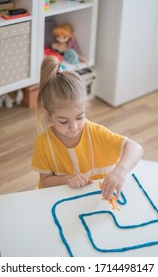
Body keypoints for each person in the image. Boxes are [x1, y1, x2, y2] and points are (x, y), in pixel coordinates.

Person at [32, 55, 143, 201]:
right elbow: (46, 180)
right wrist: (67, 179)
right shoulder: (44, 142)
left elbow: (135, 147)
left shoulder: (96, 133)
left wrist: (120, 171)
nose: (74, 127)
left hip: (98, 200)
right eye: (64, 121)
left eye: (79, 117)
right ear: (48, 114)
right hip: (68, 200)